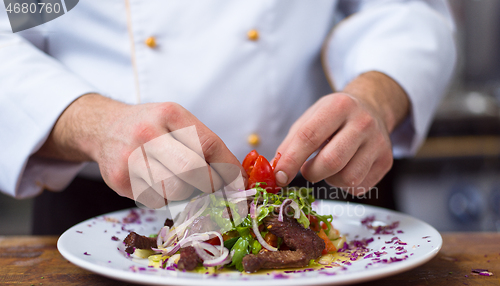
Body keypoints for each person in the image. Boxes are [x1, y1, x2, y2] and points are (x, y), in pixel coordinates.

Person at [0, 0, 456, 234]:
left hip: (320, 191)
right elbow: (13, 18)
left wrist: (377, 96)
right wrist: (90, 123)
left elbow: (399, 7)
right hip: (108, 210)